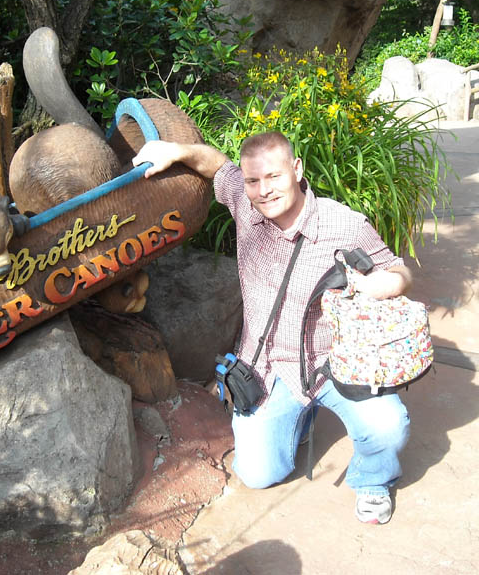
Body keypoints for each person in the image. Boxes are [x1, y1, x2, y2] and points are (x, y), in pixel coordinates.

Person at [132, 131, 412, 525]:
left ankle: (373, 480)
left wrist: (387, 284)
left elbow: (398, 269)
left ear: (296, 169)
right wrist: (176, 151)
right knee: (257, 474)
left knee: (388, 427)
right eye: (253, 180)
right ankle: (299, 417)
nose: (263, 190)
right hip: (268, 366)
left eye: (274, 177)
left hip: (335, 364)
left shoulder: (345, 225)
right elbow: (216, 164)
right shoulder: (247, 206)